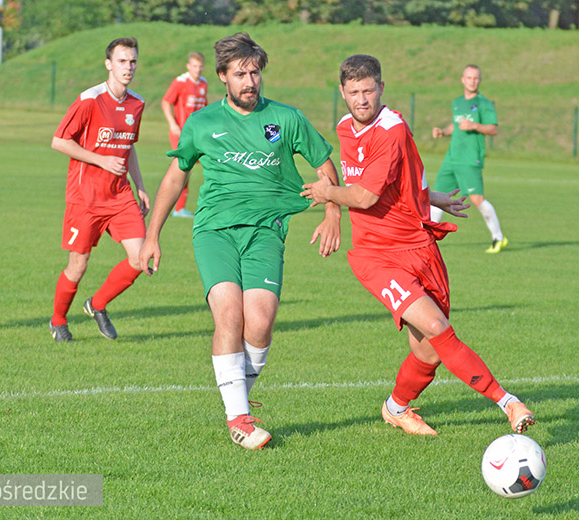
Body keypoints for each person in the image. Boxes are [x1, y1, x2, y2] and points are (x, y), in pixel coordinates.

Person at [301, 54, 534, 436]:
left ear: (381, 89)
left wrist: (329, 193)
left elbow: (366, 194)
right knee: (438, 328)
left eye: (369, 90)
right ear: (342, 92)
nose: (362, 99)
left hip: (419, 248)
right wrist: (431, 196)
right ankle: (508, 402)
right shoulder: (345, 128)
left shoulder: (392, 129)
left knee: (427, 351)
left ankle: (396, 407)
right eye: (354, 92)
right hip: (376, 256)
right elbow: (371, 189)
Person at [140, 32, 341, 451]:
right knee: (229, 315)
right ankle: (239, 418)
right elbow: (177, 175)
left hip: (267, 231)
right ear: (222, 78)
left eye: (254, 73)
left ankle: (240, 401)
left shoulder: (286, 119)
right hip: (214, 231)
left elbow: (324, 164)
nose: (250, 81)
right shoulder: (202, 124)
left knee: (261, 322)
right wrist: (152, 235)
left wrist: (333, 212)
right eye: (240, 74)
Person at [48, 37, 150, 343]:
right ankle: (58, 321)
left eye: (132, 61)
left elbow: (128, 147)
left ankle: (98, 304)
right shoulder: (90, 99)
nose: (128, 67)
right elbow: (59, 141)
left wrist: (140, 185)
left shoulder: (137, 103)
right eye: (122, 61)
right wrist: (100, 160)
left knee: (142, 258)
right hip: (85, 198)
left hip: (120, 197)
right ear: (109, 64)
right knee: (77, 266)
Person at [431, 64, 507, 253]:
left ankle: (498, 238)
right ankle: (426, 238)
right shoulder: (457, 102)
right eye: (469, 77)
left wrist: (474, 125)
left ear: (479, 80)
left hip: (470, 159)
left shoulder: (484, 104)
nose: (473, 81)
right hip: (452, 158)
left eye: (476, 78)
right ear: (462, 80)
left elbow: (494, 129)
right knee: (437, 196)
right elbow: (456, 125)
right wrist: (443, 131)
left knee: (477, 199)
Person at [161, 51, 208, 218]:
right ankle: (178, 208)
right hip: (180, 133)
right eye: (194, 66)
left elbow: (204, 108)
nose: (198, 69)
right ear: (189, 66)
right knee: (183, 168)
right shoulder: (180, 82)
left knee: (205, 164)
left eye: (200, 66)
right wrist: (173, 124)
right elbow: (166, 102)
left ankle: (185, 207)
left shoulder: (203, 83)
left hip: (197, 135)